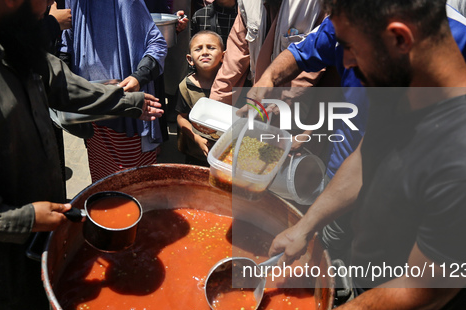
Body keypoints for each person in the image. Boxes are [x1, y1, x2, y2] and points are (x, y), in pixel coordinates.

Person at [266, 1, 466, 310]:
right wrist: (304, 226)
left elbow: (420, 292)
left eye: (351, 47)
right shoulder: (407, 91)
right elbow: (363, 159)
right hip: (366, 299)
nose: (347, 63)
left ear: (399, 39)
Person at [0, 0, 163, 310]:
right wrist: (22, 218)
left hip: (40, 254)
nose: (52, 6)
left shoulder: (11, 31)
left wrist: (128, 102)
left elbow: (61, 83)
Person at [61, 0, 167, 182]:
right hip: (92, 111)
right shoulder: (76, 2)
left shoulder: (125, 3)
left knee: (131, 183)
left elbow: (157, 43)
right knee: (102, 181)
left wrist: (138, 77)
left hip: (126, 112)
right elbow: (67, 45)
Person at [210, 0, 325, 105]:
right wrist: (216, 103)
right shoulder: (248, 3)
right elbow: (234, 59)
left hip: (298, 104)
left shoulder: (317, 4)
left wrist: (283, 103)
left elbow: (316, 55)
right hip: (258, 96)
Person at [176, 31, 225, 165]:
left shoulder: (232, 84)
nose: (204, 52)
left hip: (226, 153)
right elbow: (181, 117)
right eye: (198, 49)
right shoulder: (186, 87)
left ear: (223, 56)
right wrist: (196, 138)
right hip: (196, 152)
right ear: (190, 59)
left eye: (211, 48)